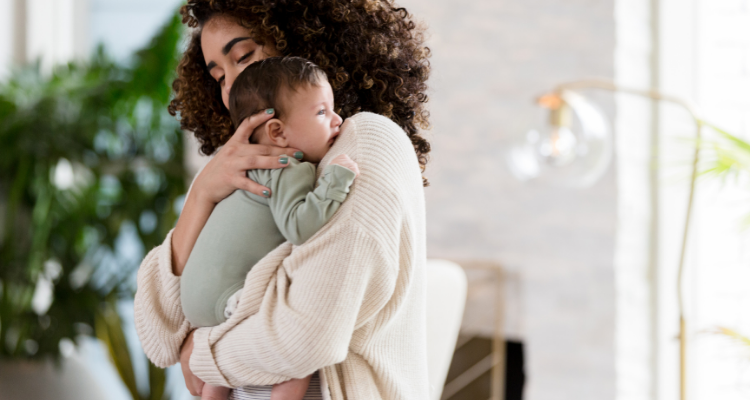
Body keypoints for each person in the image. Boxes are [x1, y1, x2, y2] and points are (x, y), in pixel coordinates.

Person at [133, 1, 432, 399]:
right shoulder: (246, 171)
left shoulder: (367, 141)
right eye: (219, 76)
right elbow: (159, 335)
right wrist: (202, 193)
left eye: (244, 57)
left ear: (304, 38)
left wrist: (203, 352)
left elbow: (302, 339)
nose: (232, 87)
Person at [183, 56, 359, 400]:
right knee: (300, 347)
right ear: (277, 131)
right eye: (322, 112)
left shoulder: (244, 166)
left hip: (198, 295)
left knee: (228, 349)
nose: (339, 120)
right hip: (226, 293)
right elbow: (299, 227)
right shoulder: (289, 167)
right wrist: (336, 180)